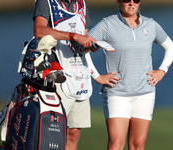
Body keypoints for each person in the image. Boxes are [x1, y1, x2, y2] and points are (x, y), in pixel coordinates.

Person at [88, 0, 173, 150]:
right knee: (116, 144)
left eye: (136, 0)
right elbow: (81, 48)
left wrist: (162, 71)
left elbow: (170, 47)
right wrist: (97, 76)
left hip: (145, 93)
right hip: (117, 93)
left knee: (138, 145)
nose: (131, 3)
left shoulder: (151, 24)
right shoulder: (107, 24)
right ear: (119, 1)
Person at [33, 0, 118, 150]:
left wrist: (96, 74)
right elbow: (39, 30)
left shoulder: (82, 4)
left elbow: (82, 48)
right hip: (56, 76)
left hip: (80, 78)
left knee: (73, 133)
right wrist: (74, 36)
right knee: (52, 133)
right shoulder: (46, 1)